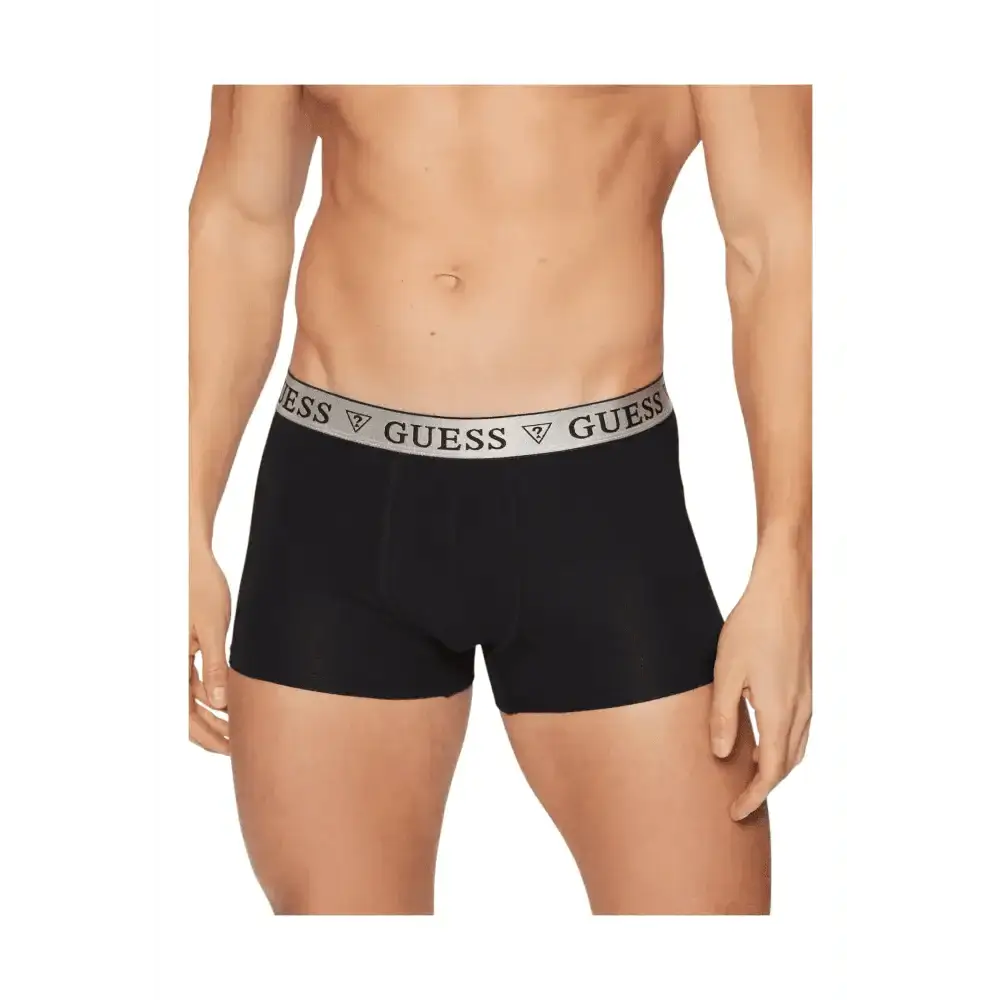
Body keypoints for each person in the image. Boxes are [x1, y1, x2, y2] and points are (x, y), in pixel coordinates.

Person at [188, 85, 811, 915]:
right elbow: (242, 215)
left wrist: (787, 563)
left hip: (596, 510)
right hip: (336, 506)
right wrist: (182, 520)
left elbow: (779, 241)